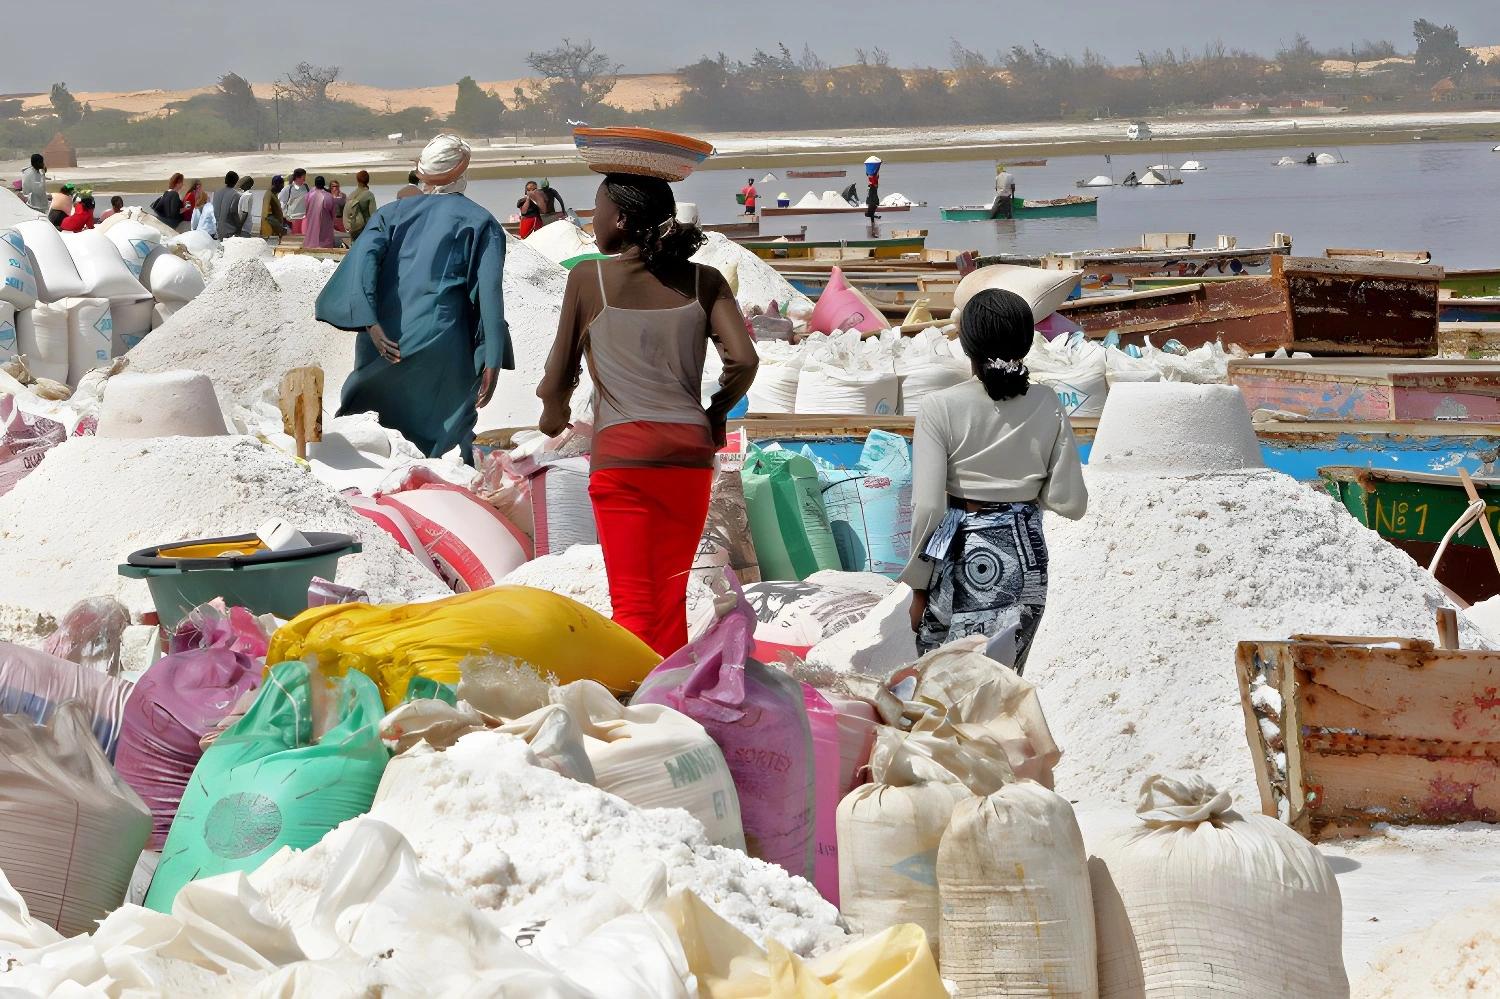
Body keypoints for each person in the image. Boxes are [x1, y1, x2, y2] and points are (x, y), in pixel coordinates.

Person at [537, 172, 759, 657]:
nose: (591, 220)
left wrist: (551, 421)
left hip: (625, 458)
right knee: (668, 598)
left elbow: (558, 378)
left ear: (620, 218)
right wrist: (715, 414)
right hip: (689, 454)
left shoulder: (588, 278)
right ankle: (674, 699)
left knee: (636, 602)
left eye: (596, 209)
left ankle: (643, 710)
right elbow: (744, 360)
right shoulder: (706, 281)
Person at [902, 288, 1087, 671]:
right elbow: (1071, 501)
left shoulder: (939, 407)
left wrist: (919, 586)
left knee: (946, 685)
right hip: (1027, 558)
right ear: (1026, 341)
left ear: (966, 344)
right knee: (1003, 684)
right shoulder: (1048, 401)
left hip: (960, 550)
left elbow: (930, 507)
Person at [315, 134, 510, 462]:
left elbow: (362, 267)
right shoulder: (482, 222)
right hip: (442, 337)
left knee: (370, 418)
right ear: (462, 172)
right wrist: (493, 355)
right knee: (442, 430)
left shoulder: (391, 214)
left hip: (384, 337)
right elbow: (490, 294)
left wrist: (371, 325)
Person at [303, 175, 337, 249]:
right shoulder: (328, 196)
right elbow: (333, 213)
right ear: (324, 184)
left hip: (311, 222)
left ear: (315, 184)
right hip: (325, 224)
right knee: (324, 240)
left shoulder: (308, 195)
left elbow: (306, 209)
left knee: (311, 237)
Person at [343, 170, 377, 242]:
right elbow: (373, 215)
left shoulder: (351, 195)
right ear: (367, 181)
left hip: (353, 227)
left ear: (357, 180)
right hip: (364, 228)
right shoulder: (369, 195)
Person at [211, 171, 243, 240]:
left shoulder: (216, 192)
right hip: (228, 230)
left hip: (216, 228)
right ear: (236, 182)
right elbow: (233, 212)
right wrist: (239, 226)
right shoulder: (236, 195)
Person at [281, 169, 309, 234]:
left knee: (303, 240)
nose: (304, 179)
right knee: (294, 240)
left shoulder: (306, 187)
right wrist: (287, 216)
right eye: (303, 177)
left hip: (304, 219)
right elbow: (282, 203)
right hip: (293, 219)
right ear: (297, 178)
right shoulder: (288, 189)